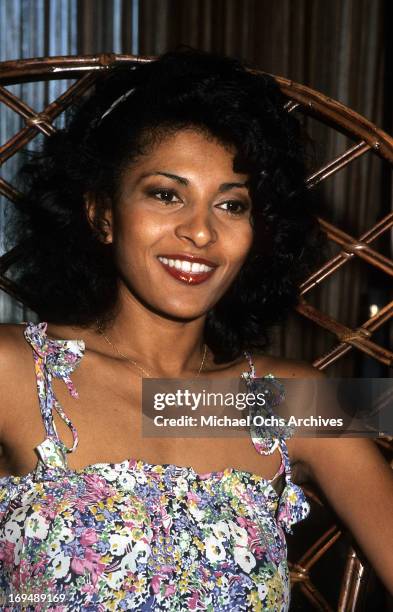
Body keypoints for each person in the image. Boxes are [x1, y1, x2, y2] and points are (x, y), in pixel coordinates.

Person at [0, 48, 392, 611]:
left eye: (231, 206)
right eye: (166, 194)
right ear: (101, 214)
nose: (201, 232)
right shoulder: (15, 372)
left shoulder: (293, 400)